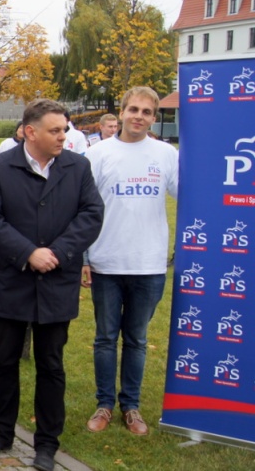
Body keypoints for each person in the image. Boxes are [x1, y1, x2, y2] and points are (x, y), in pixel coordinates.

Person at [0, 99, 103, 471]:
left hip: (56, 284)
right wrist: (28, 252)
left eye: (64, 129)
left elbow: (92, 214)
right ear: (31, 132)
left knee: (51, 365)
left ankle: (47, 443)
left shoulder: (78, 167)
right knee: (2, 361)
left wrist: (57, 253)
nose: (64, 136)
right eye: (56, 130)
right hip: (10, 282)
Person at [81, 87, 178, 436]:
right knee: (105, 338)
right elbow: (84, 209)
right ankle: (105, 404)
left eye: (147, 112)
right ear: (120, 112)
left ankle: (131, 406)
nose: (139, 116)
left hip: (149, 264)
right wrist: (85, 257)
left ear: (154, 118)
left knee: (136, 339)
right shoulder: (98, 154)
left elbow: (189, 195)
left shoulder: (167, 155)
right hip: (107, 262)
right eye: (133, 109)